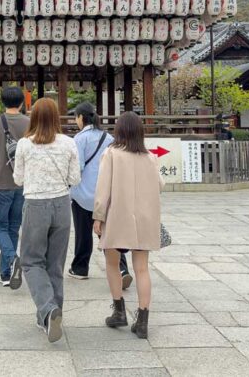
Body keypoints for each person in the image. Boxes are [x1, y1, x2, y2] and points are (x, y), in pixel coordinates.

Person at [13, 97, 80, 342]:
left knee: (31, 261)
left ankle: (48, 308)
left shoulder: (24, 144)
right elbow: (76, 178)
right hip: (62, 204)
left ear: (33, 117)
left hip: (35, 204)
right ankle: (52, 313)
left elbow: (18, 179)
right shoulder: (69, 143)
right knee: (55, 263)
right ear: (56, 117)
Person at [94, 111, 161, 340]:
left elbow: (103, 189)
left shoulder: (112, 153)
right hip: (144, 218)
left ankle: (119, 310)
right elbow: (160, 184)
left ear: (119, 130)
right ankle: (142, 320)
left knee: (113, 263)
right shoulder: (150, 157)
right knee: (142, 268)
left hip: (117, 216)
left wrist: (98, 216)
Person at [68, 102, 122, 283]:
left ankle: (80, 268)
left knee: (83, 234)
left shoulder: (79, 139)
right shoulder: (108, 138)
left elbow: (78, 168)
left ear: (81, 118)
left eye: (75, 117)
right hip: (105, 196)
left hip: (82, 195)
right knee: (108, 235)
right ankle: (122, 269)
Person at [0, 85, 30, 286]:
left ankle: (11, 259)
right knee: (12, 226)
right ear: (21, 103)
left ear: (2, 102)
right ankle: (4, 273)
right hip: (22, 182)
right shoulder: (29, 122)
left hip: (0, 180)